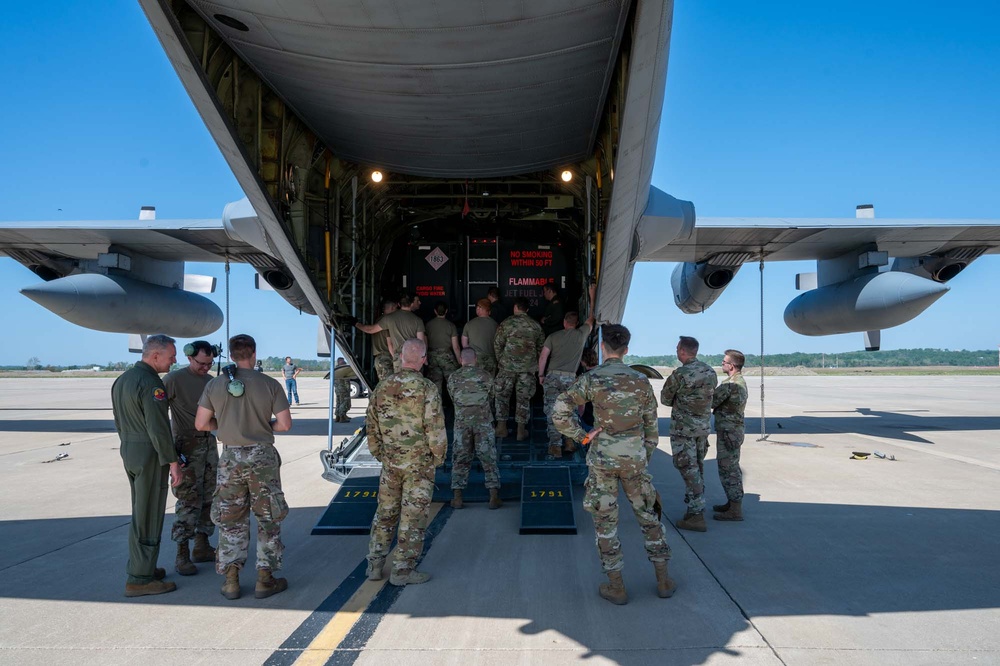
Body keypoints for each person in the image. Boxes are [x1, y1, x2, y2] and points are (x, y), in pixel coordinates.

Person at [552, 324, 675, 605]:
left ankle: (616, 586)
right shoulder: (641, 381)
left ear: (603, 348)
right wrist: (641, 456)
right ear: (627, 350)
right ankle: (663, 580)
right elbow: (652, 429)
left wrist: (582, 436)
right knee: (649, 517)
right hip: (634, 459)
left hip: (603, 460)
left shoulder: (592, 378)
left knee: (605, 522)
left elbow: (560, 410)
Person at [195, 334, 292, 600]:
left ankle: (231, 580)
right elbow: (284, 424)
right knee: (268, 517)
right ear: (254, 353)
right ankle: (265, 578)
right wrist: (261, 427)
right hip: (262, 458)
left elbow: (201, 424)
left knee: (231, 519)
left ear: (230, 354)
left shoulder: (215, 385)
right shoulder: (269, 384)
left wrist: (224, 426)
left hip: (230, 459)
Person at [365, 339, 447, 586]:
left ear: (401, 358)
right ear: (423, 360)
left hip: (391, 462)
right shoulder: (427, 388)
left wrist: (381, 453)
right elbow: (435, 428)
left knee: (385, 513)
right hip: (419, 465)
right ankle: (402, 571)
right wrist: (438, 457)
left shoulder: (382, 387)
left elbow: (371, 426)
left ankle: (375, 565)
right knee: (413, 516)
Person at [111, 334, 183, 597]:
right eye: (171, 356)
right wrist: (173, 462)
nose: (174, 360)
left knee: (139, 510)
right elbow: (158, 428)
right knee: (149, 513)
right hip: (150, 452)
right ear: (155, 356)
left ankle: (144, 567)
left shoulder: (123, 380)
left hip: (130, 449)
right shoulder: (152, 383)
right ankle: (140, 579)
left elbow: (119, 421)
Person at [163, 340, 219, 576]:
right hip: (185, 446)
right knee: (188, 500)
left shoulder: (211, 382)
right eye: (201, 363)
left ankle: (202, 545)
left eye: (209, 363)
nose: (206, 367)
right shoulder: (172, 381)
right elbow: (157, 416)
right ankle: (182, 553)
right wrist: (170, 453)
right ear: (189, 358)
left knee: (209, 497)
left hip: (208, 445)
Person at [660, 335, 718, 532]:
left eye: (677, 348)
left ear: (683, 351)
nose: (676, 351)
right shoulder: (710, 372)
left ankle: (696, 514)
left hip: (684, 429)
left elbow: (666, 399)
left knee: (688, 469)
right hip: (702, 428)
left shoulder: (680, 374)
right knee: (697, 468)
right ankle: (695, 507)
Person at [538, 284, 596, 457]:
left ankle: (555, 446)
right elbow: (591, 320)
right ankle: (569, 441)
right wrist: (592, 297)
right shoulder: (581, 334)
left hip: (552, 377)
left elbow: (543, 357)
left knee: (552, 412)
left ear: (564, 322)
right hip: (570, 380)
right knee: (569, 411)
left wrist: (541, 375)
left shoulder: (553, 337)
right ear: (576, 323)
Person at [447, 349, 502, 510]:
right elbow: (492, 396)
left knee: (460, 459)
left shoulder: (453, 377)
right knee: (488, 458)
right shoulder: (485, 376)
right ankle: (493, 497)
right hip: (483, 422)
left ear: (461, 360)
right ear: (475, 359)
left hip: (462, 424)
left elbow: (452, 397)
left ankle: (457, 498)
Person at [493, 297, 545, 440]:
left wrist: (502, 361)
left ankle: (501, 427)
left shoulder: (506, 323)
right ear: (527, 309)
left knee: (502, 397)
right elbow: (541, 349)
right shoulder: (535, 326)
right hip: (527, 369)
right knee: (523, 399)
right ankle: (521, 431)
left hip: (507, 368)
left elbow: (497, 344)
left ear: (515, 307)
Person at [712, 349, 749, 521]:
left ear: (731, 365)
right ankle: (732, 502)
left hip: (728, 432)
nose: (722, 364)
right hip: (733, 430)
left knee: (729, 470)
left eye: (724, 362)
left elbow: (712, 401)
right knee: (731, 468)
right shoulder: (740, 381)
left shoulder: (730, 384)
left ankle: (735, 509)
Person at [355, 293, 425, 373]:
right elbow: (421, 342)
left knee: (398, 383)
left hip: (399, 357)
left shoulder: (389, 318)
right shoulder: (418, 320)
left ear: (399, 304)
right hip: (414, 357)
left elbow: (370, 330)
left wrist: (356, 324)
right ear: (411, 304)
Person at [425, 302, 462, 396]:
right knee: (453, 383)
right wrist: (460, 361)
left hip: (432, 357)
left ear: (435, 311)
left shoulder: (428, 325)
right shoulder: (451, 325)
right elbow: (456, 347)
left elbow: (424, 343)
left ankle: (436, 408)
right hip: (447, 357)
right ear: (446, 311)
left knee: (435, 385)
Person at [462, 298, 499, 377]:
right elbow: (499, 344)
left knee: (475, 384)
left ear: (478, 309)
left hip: (475, 359)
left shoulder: (469, 324)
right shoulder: (496, 325)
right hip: (491, 359)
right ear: (489, 311)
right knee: (489, 383)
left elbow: (464, 345)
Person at [371, 299, 399, 382]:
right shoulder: (387, 322)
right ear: (393, 308)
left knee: (384, 386)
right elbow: (389, 343)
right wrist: (396, 358)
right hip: (387, 357)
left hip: (379, 358)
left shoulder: (379, 320)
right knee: (389, 386)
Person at [333, 357, 353, 422]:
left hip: (337, 389)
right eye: (343, 361)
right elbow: (346, 380)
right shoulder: (343, 370)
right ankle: (342, 417)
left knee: (338, 403)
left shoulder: (335, 370)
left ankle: (337, 417)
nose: (344, 362)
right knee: (344, 403)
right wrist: (348, 389)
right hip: (343, 389)